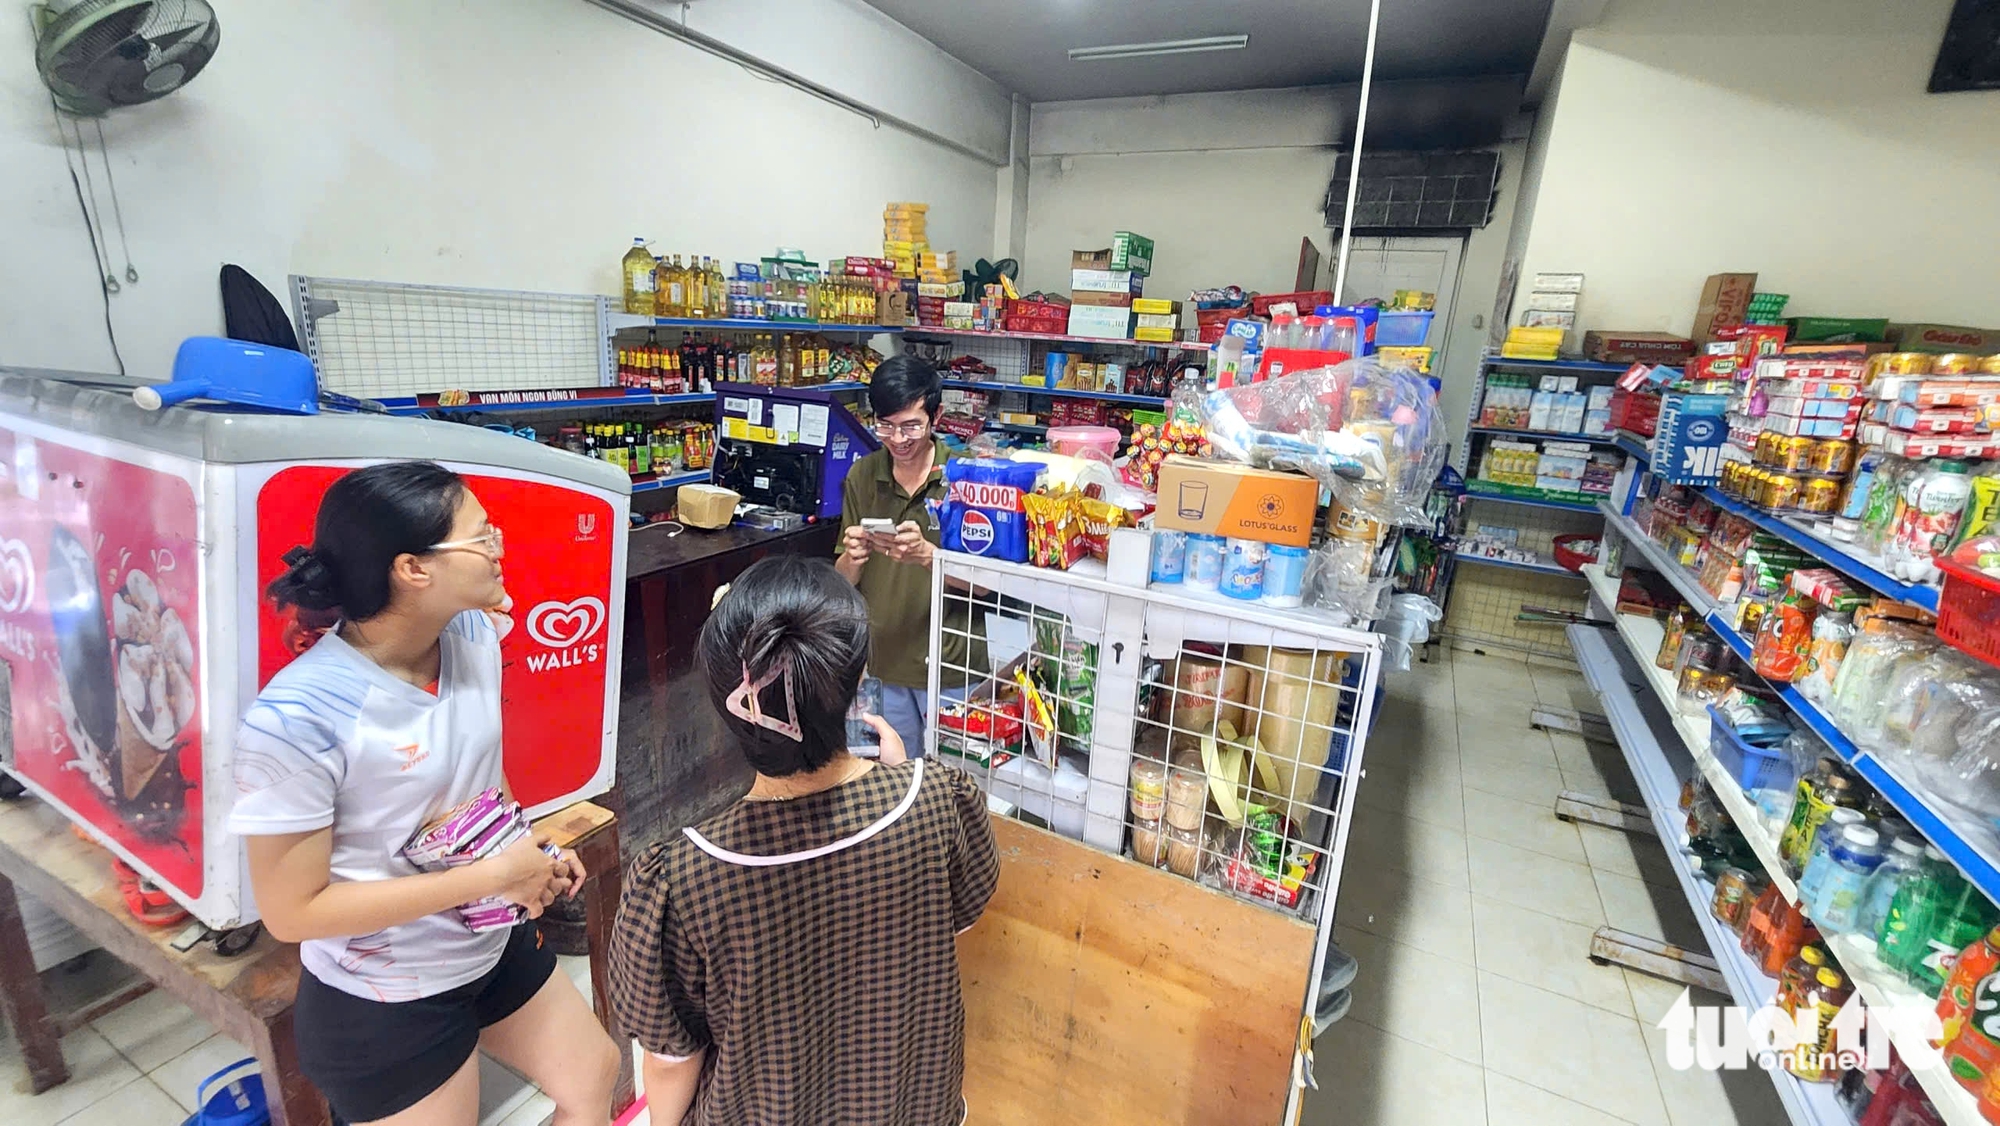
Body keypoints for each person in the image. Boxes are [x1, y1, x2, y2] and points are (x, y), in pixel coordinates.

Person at [228, 461, 619, 1126]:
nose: (499, 548)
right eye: (481, 536)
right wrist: (491, 876)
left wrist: (526, 848)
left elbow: (480, 775)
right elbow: (293, 914)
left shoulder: (469, 635)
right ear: (412, 569)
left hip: (483, 946)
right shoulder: (299, 718)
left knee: (593, 1074)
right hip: (385, 995)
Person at [608, 554, 1000, 1126]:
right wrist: (901, 777)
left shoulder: (682, 877)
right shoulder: (939, 800)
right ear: (859, 680)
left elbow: (671, 1057)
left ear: (725, 705)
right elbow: (957, 918)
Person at [834, 354, 982, 755]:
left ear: (936, 416)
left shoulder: (967, 478)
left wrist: (928, 556)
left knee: (953, 782)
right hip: (881, 666)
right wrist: (852, 557)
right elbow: (842, 582)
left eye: (911, 425)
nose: (898, 439)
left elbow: (986, 587)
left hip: (952, 668)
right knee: (893, 782)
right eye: (886, 425)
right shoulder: (862, 476)